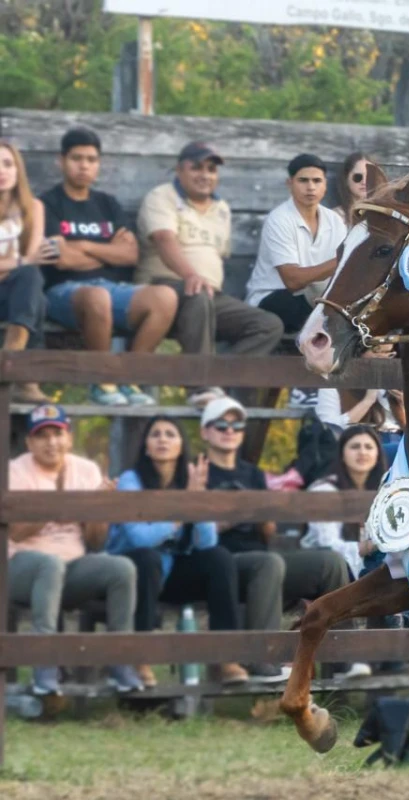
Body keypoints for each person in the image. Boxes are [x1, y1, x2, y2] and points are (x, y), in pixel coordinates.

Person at [201, 396, 350, 680]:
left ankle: (344, 662)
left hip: (261, 558)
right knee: (268, 564)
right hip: (218, 564)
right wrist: (235, 515)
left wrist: (266, 514)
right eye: (221, 425)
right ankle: (265, 661)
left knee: (330, 563)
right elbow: (194, 532)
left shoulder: (253, 474)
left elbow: (267, 533)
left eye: (237, 425)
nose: (230, 431)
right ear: (205, 432)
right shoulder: (197, 473)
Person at [8, 404, 142, 695]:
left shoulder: (87, 469)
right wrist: (62, 503)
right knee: (49, 565)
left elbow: (96, 542)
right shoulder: (15, 471)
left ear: (69, 438)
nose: (51, 443)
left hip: (73, 564)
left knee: (121, 568)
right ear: (30, 442)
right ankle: (45, 664)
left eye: (57, 434)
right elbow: (16, 531)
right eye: (42, 436)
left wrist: (96, 509)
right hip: (21, 565)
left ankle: (119, 660)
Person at [38, 127, 177, 406]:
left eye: (91, 159)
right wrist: (107, 251)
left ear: (98, 164)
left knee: (165, 297)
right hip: (62, 291)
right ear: (61, 161)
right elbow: (61, 258)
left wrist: (83, 246)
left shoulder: (107, 204)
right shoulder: (47, 204)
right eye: (77, 158)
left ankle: (129, 381)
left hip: (113, 288)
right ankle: (101, 382)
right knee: (96, 297)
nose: (84, 166)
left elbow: (130, 255)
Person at [136, 141, 283, 403]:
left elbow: (217, 255)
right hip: (161, 288)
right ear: (179, 170)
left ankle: (215, 383)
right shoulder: (162, 196)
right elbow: (164, 239)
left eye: (211, 169)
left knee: (268, 325)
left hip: (208, 295)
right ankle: (199, 386)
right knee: (199, 295)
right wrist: (191, 275)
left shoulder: (221, 209)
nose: (205, 175)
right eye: (196, 167)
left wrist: (202, 281)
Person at [107, 416, 247, 687]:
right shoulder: (130, 481)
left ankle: (227, 656)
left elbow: (206, 542)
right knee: (147, 559)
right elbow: (139, 539)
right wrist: (181, 511)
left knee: (219, 558)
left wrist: (197, 499)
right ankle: (141, 659)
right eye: (155, 434)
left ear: (181, 446)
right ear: (146, 446)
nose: (162, 439)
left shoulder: (189, 480)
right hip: (134, 574)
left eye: (170, 434)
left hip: (173, 573)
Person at [300, 424, 384, 680]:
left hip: (369, 565)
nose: (362, 452)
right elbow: (326, 542)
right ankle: (348, 661)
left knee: (392, 572)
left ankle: (389, 661)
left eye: (369, 447)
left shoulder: (385, 489)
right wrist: (363, 548)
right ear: (342, 453)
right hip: (323, 566)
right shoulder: (324, 490)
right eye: (355, 446)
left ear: (378, 454)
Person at [245, 154, 347, 332]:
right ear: (289, 183)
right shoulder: (279, 219)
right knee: (321, 315)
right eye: (303, 180)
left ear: (325, 185)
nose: (310, 187)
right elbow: (292, 281)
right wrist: (342, 261)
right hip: (271, 297)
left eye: (317, 181)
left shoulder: (334, 220)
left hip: (316, 298)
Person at [0, 139, 48, 402]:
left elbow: (33, 258)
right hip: (13, 289)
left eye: (7, 164)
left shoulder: (34, 208)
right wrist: (18, 264)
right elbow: (25, 261)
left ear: (18, 170)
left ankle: (11, 354)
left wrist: (18, 266)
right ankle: (25, 379)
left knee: (32, 282)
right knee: (34, 296)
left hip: (13, 291)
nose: (2, 171)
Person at [333, 152, 373, 226]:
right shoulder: (335, 217)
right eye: (358, 176)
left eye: (369, 176)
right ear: (346, 178)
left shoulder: (381, 214)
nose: (364, 182)